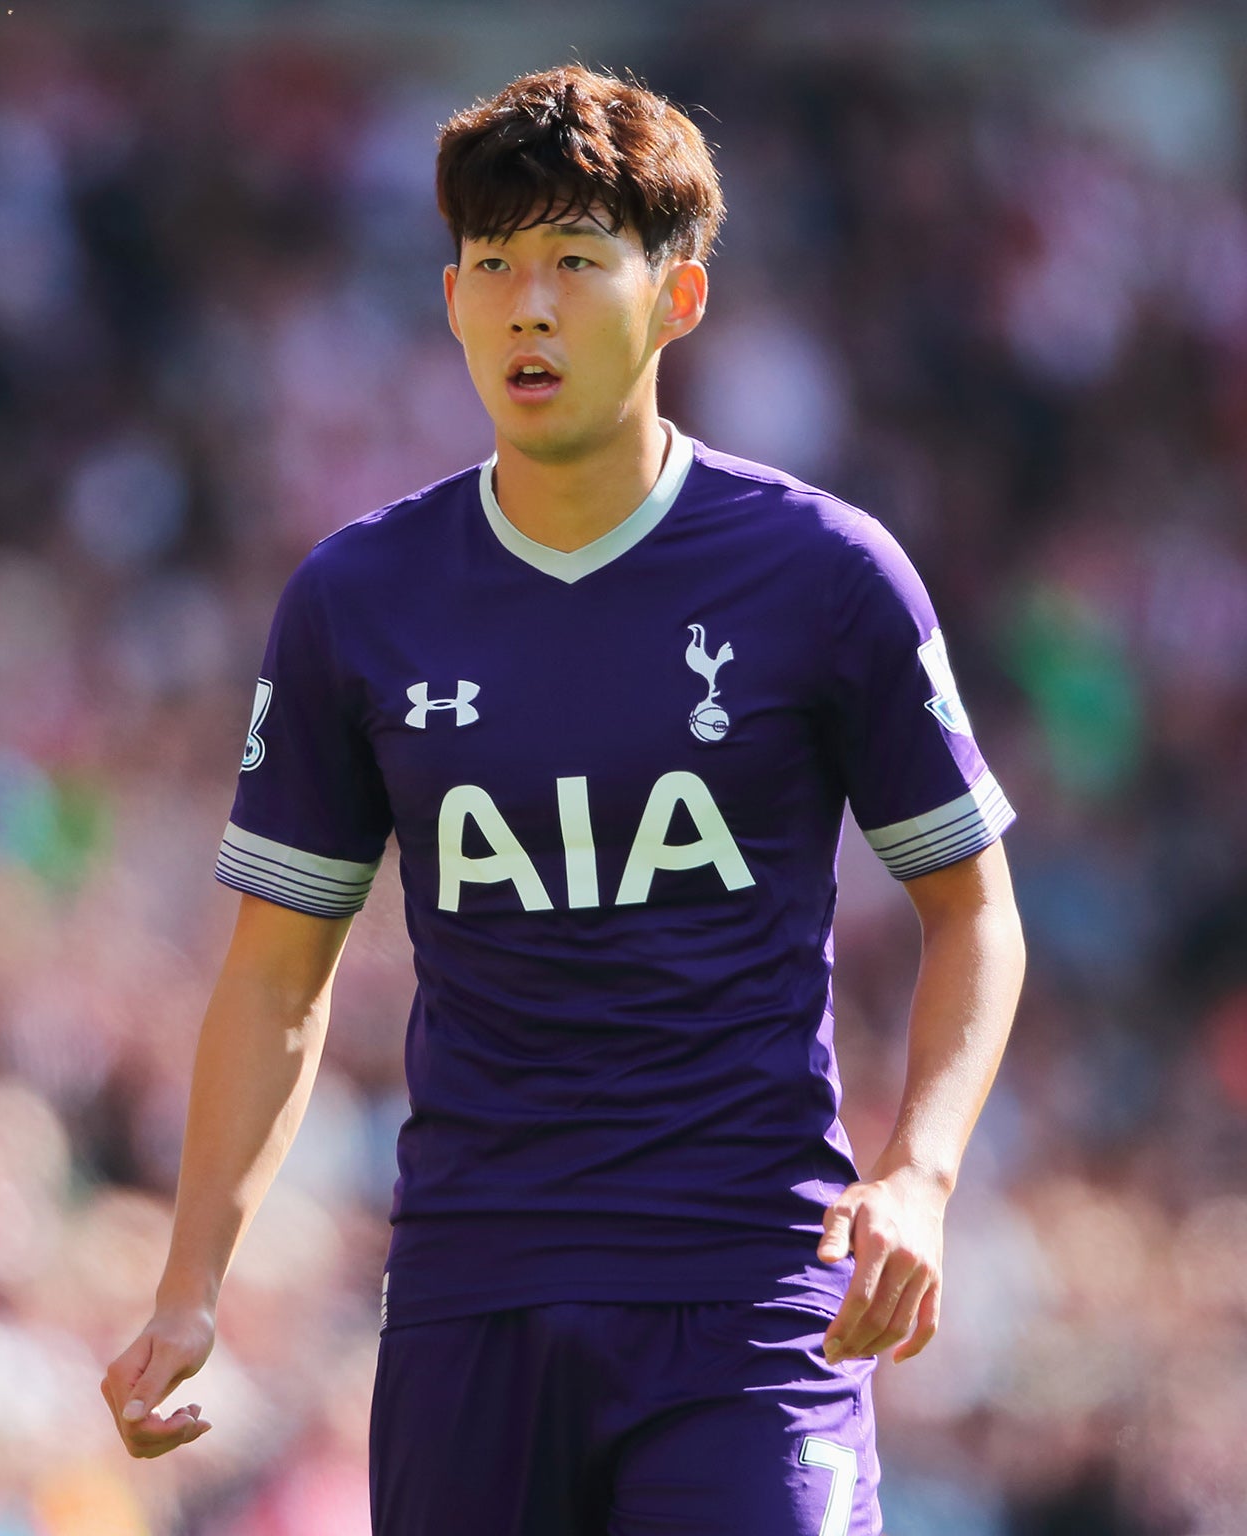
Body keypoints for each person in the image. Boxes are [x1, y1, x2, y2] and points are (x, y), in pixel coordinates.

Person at [100, 62, 1026, 1536]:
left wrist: (917, 1175)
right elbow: (279, 975)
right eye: (494, 266)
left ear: (680, 299)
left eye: (578, 264)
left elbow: (974, 910)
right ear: (453, 300)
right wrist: (191, 1284)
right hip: (475, 1298)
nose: (529, 305)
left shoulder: (827, 577)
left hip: (748, 1298)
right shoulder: (359, 599)